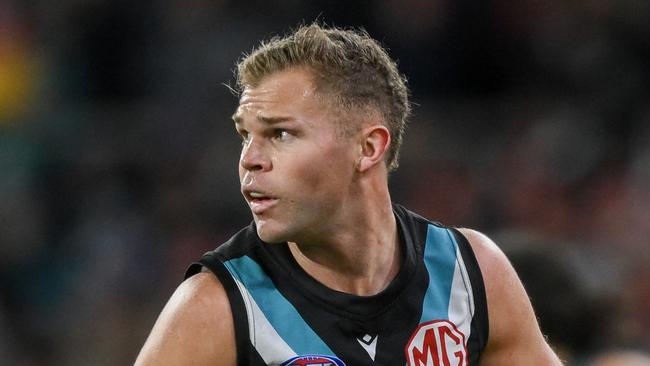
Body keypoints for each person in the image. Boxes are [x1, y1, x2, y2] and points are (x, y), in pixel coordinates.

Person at [135, 23, 562, 365]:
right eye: (245, 135)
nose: (250, 159)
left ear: (368, 147)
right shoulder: (217, 308)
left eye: (280, 133)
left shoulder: (471, 275)